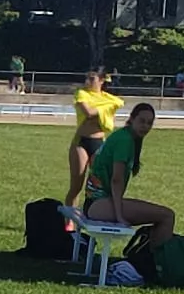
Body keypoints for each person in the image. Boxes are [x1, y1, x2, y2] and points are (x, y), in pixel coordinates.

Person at [84, 104, 172, 247]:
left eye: (150, 123)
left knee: (162, 215)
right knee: (167, 216)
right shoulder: (125, 140)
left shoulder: (126, 136)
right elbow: (116, 180)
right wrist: (120, 216)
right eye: (142, 121)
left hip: (96, 203)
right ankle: (158, 265)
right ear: (131, 119)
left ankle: (151, 259)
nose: (145, 126)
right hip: (98, 205)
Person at [65, 68, 122, 209]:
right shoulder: (82, 93)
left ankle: (93, 215)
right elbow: (88, 112)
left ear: (102, 80)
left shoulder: (108, 98)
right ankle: (69, 222)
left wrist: (103, 107)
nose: (87, 82)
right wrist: (104, 109)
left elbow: (118, 103)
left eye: (92, 79)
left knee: (98, 187)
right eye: (87, 78)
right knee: (76, 186)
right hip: (81, 142)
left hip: (99, 143)